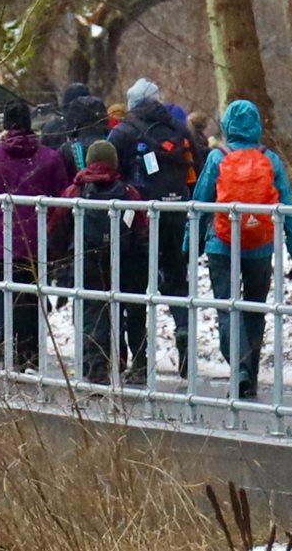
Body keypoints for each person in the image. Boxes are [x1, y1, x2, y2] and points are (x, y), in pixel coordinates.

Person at [191, 99, 292, 399]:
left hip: (222, 244)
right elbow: (287, 208)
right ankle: (250, 374)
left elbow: (200, 204)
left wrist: (189, 245)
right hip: (260, 245)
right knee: (255, 310)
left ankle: (239, 368)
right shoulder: (271, 160)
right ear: (257, 124)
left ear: (227, 126)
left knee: (228, 308)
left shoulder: (218, 157)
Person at [0, 102, 73, 370]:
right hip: (35, 242)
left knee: (0, 298)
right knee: (29, 299)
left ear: (6, 126)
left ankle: (3, 349)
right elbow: (63, 198)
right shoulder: (50, 158)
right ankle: (29, 355)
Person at [107, 78, 204, 374]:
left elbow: (110, 172)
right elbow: (197, 168)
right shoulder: (179, 130)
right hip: (176, 214)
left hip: (139, 221)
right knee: (176, 279)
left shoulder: (122, 133)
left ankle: (140, 359)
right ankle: (184, 328)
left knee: (135, 289)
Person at [61, 139, 150, 384]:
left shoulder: (75, 192)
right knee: (133, 311)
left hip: (87, 261)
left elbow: (56, 226)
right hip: (125, 261)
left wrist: (61, 259)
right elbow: (143, 229)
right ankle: (140, 363)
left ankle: (98, 365)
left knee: (93, 311)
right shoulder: (128, 192)